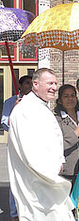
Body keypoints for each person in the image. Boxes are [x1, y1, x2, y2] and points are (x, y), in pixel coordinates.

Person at [7, 68, 74, 220]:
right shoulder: (26, 110)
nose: (54, 87)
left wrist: (59, 160)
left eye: (56, 83)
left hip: (46, 180)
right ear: (35, 84)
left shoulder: (39, 106)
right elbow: (30, 148)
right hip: (37, 180)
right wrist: (54, 166)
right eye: (50, 83)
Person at [1, 75, 32, 221]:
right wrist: (15, 110)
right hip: (16, 146)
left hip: (32, 145)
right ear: (19, 86)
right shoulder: (10, 102)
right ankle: (15, 212)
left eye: (32, 83)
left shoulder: (37, 103)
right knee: (16, 177)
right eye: (27, 83)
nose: (30, 86)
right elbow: (5, 124)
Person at [54, 84, 79, 187]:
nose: (70, 99)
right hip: (67, 172)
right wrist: (75, 134)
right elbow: (56, 145)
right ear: (60, 100)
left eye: (73, 95)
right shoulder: (56, 121)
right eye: (66, 96)